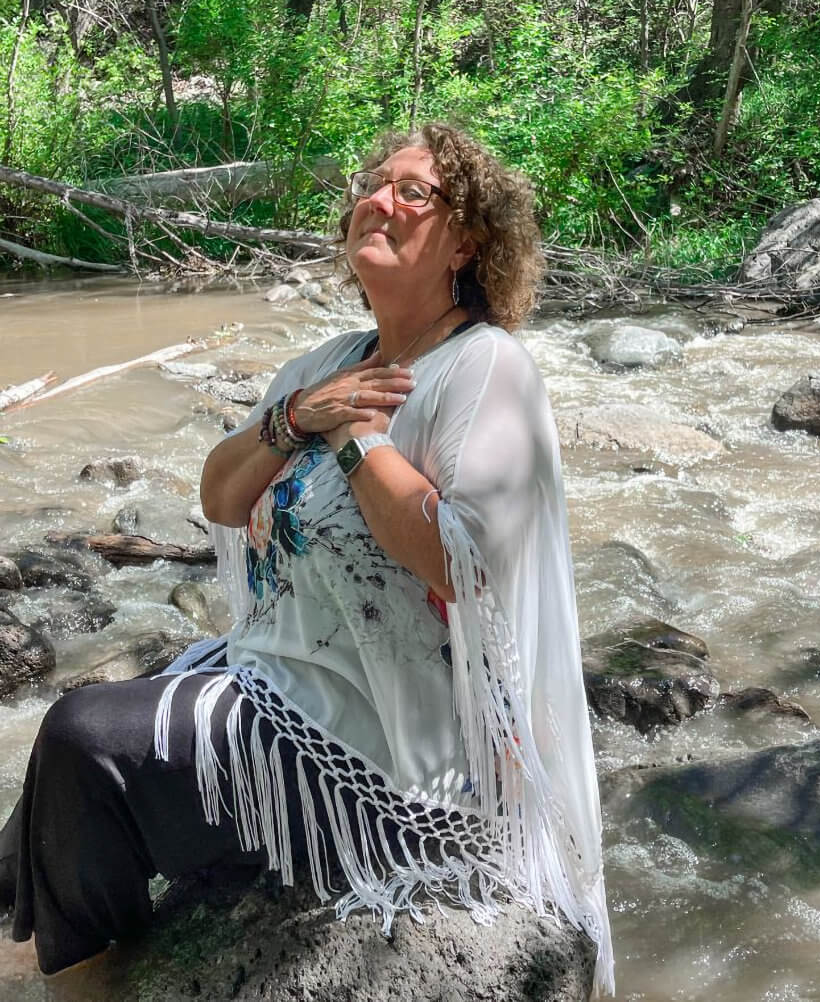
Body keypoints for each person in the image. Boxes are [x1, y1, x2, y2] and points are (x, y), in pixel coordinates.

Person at [0, 122, 613, 999]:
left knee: (83, 740)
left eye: (414, 192)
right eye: (373, 183)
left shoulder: (487, 368)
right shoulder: (328, 362)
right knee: (46, 796)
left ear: (467, 241)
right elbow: (220, 495)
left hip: (402, 752)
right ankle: (40, 937)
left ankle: (82, 985)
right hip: (288, 683)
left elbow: (459, 563)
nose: (379, 199)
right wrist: (297, 416)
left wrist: (360, 437)